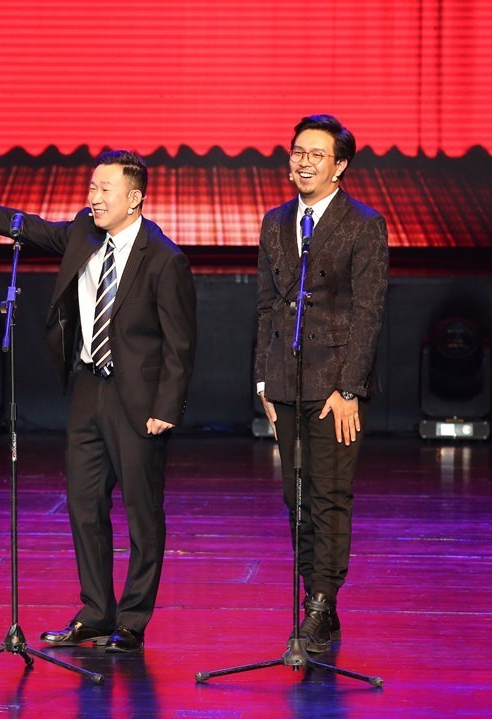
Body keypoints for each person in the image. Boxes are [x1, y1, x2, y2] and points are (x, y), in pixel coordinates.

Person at [0, 150, 197, 653]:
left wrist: (166, 409)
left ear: (134, 198)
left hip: (138, 399)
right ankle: (96, 613)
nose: (94, 197)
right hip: (88, 389)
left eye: (104, 189)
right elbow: (25, 225)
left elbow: (180, 343)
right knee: (85, 506)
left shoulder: (165, 258)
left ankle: (132, 620)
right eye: (92, 187)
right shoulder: (83, 232)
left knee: (143, 513)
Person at [254, 114, 389, 653]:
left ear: (340, 166)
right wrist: (263, 380)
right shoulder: (275, 221)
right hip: (286, 380)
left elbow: (368, 312)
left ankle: (319, 604)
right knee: (297, 497)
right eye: (298, 152)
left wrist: (350, 388)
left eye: (316, 154)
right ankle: (319, 604)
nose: (304, 162)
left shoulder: (364, 223)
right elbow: (266, 306)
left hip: (335, 385)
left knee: (329, 496)